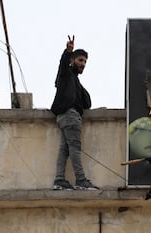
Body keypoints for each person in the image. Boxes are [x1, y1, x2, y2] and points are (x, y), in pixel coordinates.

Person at [50, 35, 99, 190]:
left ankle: (59, 180)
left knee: (65, 149)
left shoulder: (75, 81)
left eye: (85, 61)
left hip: (66, 117)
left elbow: (87, 103)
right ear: (72, 60)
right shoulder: (66, 75)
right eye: (80, 60)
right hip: (70, 116)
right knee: (75, 147)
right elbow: (62, 65)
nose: (83, 64)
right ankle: (81, 180)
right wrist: (67, 51)